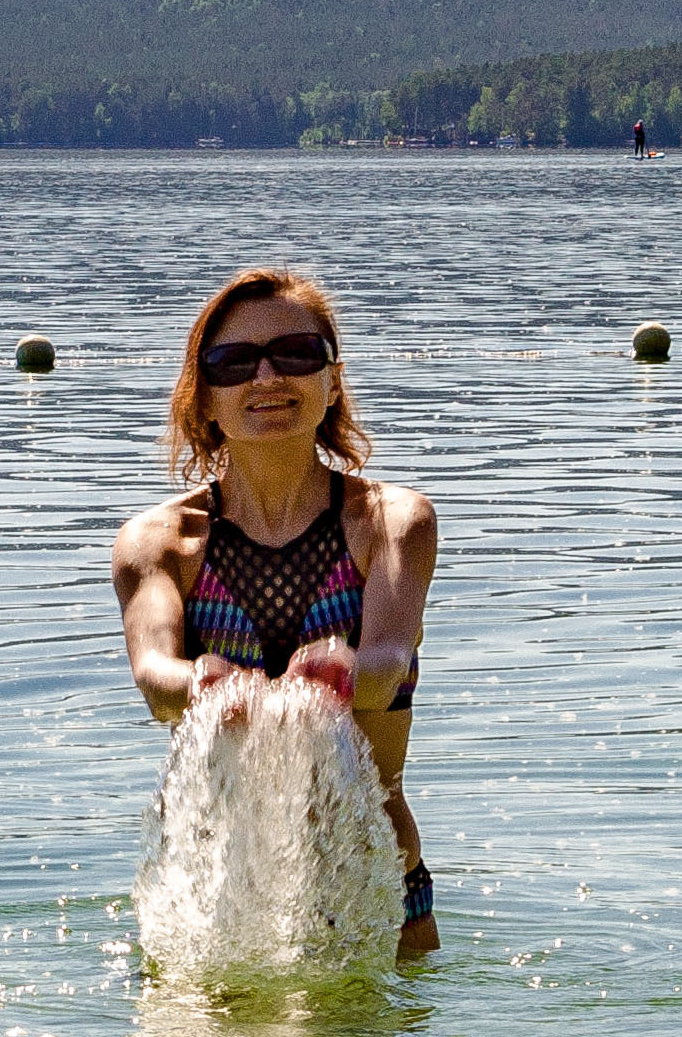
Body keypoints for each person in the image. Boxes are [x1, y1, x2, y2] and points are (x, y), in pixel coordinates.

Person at [113, 267, 440, 954]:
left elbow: (388, 660)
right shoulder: (160, 542)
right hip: (210, 895)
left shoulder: (392, 521)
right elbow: (154, 678)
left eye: (295, 354)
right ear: (203, 398)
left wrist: (345, 671)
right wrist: (203, 681)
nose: (267, 378)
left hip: (375, 885)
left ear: (332, 381)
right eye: (234, 363)